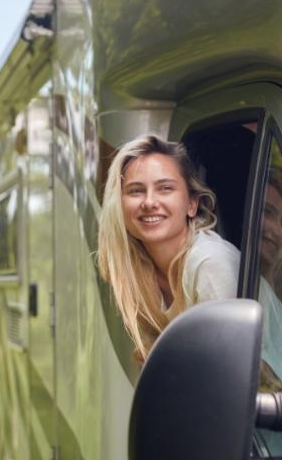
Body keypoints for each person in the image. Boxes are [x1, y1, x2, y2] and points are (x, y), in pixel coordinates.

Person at [97, 134, 239, 362]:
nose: (149, 202)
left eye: (165, 188)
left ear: (192, 204)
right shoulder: (138, 271)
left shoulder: (211, 262)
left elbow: (226, 364)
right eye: (136, 191)